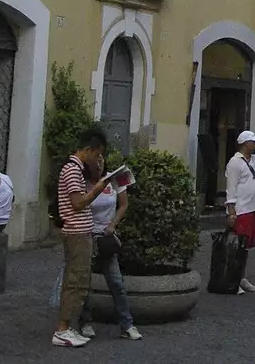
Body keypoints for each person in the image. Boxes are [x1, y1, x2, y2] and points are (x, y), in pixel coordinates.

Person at [53, 127, 112, 347]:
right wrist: (97, 190)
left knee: (79, 281)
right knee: (75, 281)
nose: (98, 159)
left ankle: (69, 326)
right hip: (76, 233)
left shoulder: (79, 169)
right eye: (97, 154)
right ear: (88, 149)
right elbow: (78, 203)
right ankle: (63, 328)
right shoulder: (72, 170)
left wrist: (98, 172)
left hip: (82, 232)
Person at [76, 158, 142, 341]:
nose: (98, 163)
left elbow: (124, 204)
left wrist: (113, 223)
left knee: (117, 283)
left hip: (106, 237)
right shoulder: (84, 182)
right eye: (94, 160)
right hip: (87, 236)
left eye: (101, 159)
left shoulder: (114, 179)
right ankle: (85, 321)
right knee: (84, 283)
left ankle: (127, 324)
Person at [225, 130, 255, 294]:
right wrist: (231, 211)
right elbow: (231, 188)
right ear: (244, 144)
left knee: (246, 247)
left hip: (252, 208)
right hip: (241, 210)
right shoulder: (235, 163)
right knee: (237, 248)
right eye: (253, 142)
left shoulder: (254, 160)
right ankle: (233, 279)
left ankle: (241, 277)